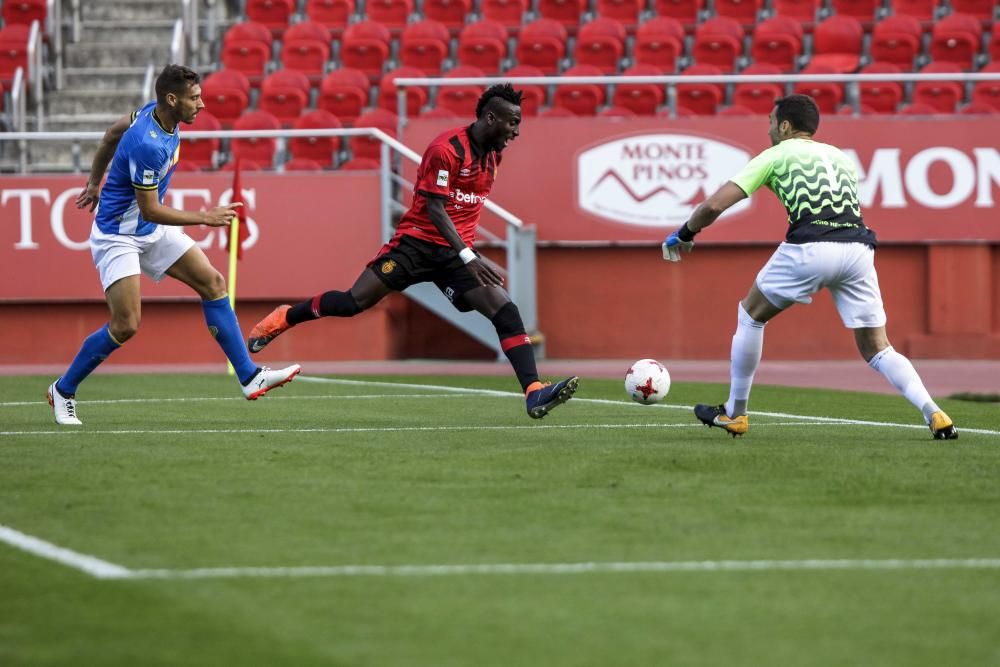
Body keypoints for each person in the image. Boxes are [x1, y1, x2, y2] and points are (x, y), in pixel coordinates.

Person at [247, 83, 578, 419]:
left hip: (453, 254)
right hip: (415, 246)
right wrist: (468, 255)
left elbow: (464, 209)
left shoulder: (494, 154)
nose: (516, 131)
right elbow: (436, 209)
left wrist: (464, 254)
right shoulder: (446, 150)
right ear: (490, 118)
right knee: (352, 302)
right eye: (512, 123)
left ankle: (534, 392)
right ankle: (287, 316)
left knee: (505, 310)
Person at [663, 94, 957, 440]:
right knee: (879, 348)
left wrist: (685, 233)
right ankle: (935, 413)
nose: (769, 129)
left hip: (810, 246)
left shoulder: (775, 155)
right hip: (858, 249)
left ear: (785, 126)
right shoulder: (839, 157)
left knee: (750, 314)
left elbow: (713, 205)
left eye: (772, 122)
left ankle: (736, 413)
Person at [47, 64, 300, 425]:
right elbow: (150, 208)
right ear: (172, 99)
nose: (202, 104)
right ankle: (63, 390)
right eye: (195, 98)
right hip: (118, 235)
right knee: (126, 325)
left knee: (213, 284)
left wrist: (92, 182)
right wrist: (204, 217)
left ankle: (248, 376)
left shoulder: (153, 114)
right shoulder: (147, 144)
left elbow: (108, 135)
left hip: (149, 231)